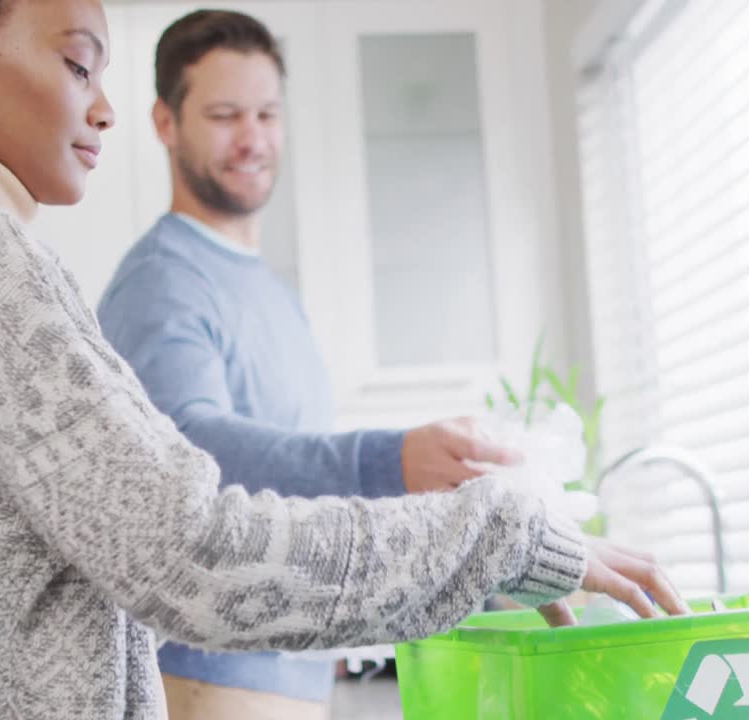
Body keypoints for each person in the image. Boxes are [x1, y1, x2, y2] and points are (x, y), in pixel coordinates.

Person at [0, 1, 690, 718]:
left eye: (266, 114)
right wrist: (500, 533)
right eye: (80, 65)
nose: (104, 107)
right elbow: (192, 548)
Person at [95, 10, 527, 718]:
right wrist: (387, 462)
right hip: (211, 680)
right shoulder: (162, 279)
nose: (253, 138)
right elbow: (189, 447)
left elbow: (291, 494)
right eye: (226, 114)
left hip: (282, 674)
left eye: (267, 113)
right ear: (166, 123)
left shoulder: (271, 293)